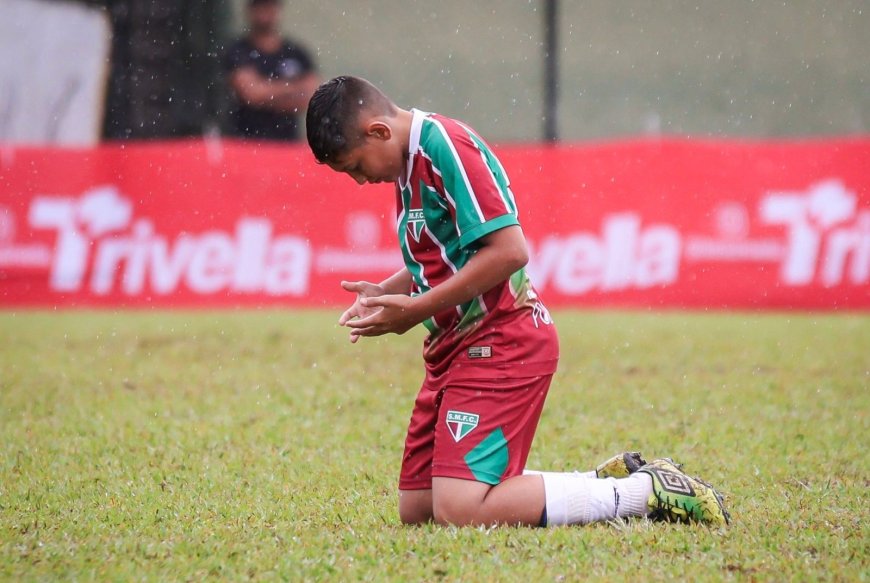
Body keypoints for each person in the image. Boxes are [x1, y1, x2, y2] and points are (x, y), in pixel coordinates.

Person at [305, 76, 731, 528]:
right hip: (453, 349)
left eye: (355, 166)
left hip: (502, 342)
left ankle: (645, 492)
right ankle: (599, 481)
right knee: (419, 510)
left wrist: (415, 311)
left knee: (458, 510)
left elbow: (509, 251)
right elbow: (447, 255)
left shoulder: (444, 146)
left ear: (378, 131)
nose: (359, 180)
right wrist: (389, 290)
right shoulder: (406, 159)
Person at [223, 0, 320, 140]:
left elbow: (312, 96)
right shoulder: (239, 50)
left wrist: (266, 93)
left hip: (287, 143)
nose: (266, 13)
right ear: (250, 11)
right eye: (261, 7)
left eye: (270, 7)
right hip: (246, 141)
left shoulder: (296, 53)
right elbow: (251, 93)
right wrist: (293, 90)